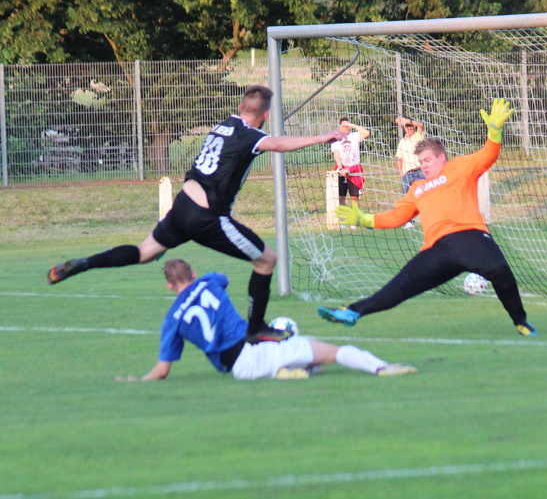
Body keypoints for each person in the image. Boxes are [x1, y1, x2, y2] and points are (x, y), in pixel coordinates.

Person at [48, 85, 344, 342]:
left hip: (182, 206)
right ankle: (255, 328)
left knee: (144, 252)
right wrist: (320, 138)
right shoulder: (249, 135)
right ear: (266, 115)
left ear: (240, 107)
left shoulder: (223, 125)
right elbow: (277, 144)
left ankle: (84, 264)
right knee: (267, 259)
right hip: (206, 217)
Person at [317, 99, 536, 337]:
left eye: (428, 160)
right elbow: (398, 216)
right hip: (437, 249)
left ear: (442, 157)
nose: (425, 166)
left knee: (501, 272)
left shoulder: (460, 166)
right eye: (421, 162)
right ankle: (351, 312)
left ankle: (520, 321)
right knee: (399, 286)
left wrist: (494, 131)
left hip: (471, 237)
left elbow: (488, 155)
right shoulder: (418, 188)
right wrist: (364, 219)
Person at [114, 259, 417, 381]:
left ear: (169, 286)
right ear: (192, 274)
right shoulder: (210, 281)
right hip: (255, 350)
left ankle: (288, 370)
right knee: (336, 352)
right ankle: (381, 368)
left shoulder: (171, 320)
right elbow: (224, 278)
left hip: (238, 369)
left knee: (315, 365)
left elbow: (163, 370)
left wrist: (140, 380)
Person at [332, 118, 370, 229]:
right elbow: (337, 155)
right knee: (341, 197)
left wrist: (353, 125)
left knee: (354, 197)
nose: (346, 127)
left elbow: (366, 133)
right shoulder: (336, 139)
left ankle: (355, 219)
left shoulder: (355, 136)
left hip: (354, 170)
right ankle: (343, 220)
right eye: (344, 125)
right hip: (342, 170)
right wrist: (340, 169)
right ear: (340, 127)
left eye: (348, 125)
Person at [395, 116, 425, 229]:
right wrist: (400, 171)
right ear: (404, 128)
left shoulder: (418, 136)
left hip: (419, 171)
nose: (410, 128)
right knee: (408, 198)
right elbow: (399, 158)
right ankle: (409, 221)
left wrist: (408, 121)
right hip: (407, 173)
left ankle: (426, 219)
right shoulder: (402, 142)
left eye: (411, 126)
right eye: (407, 126)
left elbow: (421, 125)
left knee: (423, 196)